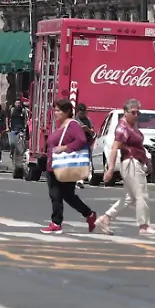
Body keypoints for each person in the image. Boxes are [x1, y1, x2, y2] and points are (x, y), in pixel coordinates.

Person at [100, 98, 154, 236]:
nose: (136, 115)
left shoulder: (132, 126)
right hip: (130, 163)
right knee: (142, 194)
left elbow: (138, 146)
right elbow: (115, 148)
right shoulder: (122, 128)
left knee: (130, 197)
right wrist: (110, 169)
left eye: (138, 113)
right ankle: (144, 226)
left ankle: (106, 218)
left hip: (137, 161)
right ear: (125, 112)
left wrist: (147, 160)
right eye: (133, 112)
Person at [43, 99, 97, 233]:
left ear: (67, 111)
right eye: (55, 110)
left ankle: (56, 223)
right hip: (54, 166)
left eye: (58, 111)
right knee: (68, 196)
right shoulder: (62, 125)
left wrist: (65, 147)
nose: (55, 113)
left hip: (62, 166)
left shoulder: (72, 125)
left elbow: (81, 140)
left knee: (55, 194)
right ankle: (89, 214)